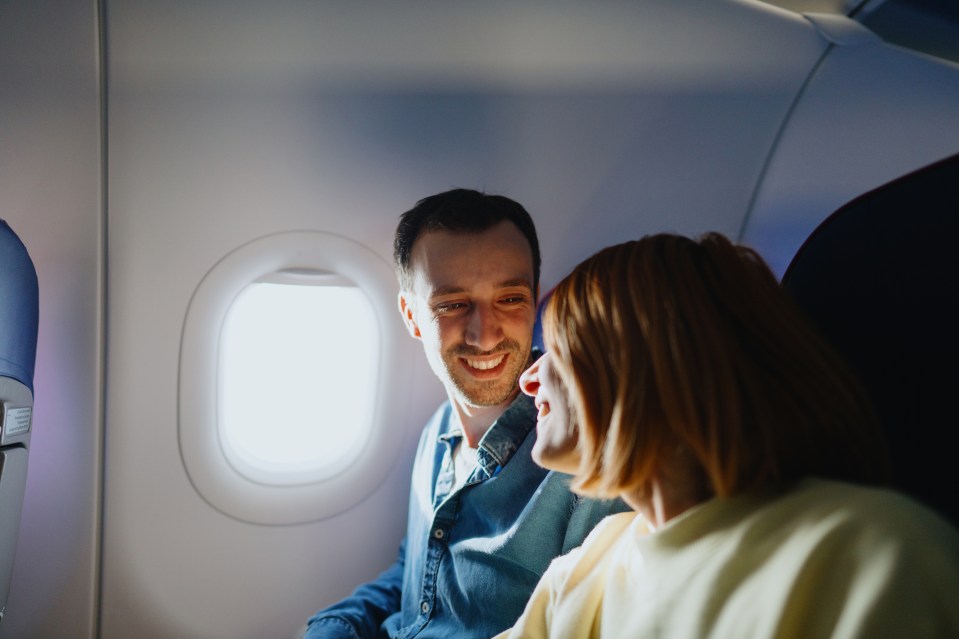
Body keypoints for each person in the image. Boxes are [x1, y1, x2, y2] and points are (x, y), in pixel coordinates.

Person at [498, 232, 959, 638]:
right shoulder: (587, 567)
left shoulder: (869, 555)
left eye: (556, 347)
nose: (528, 380)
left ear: (637, 359)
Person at [304, 189, 627, 639]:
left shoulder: (584, 454)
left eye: (510, 298)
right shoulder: (436, 430)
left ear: (534, 299)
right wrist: (335, 627)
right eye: (453, 305)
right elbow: (417, 580)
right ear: (412, 317)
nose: (484, 333)